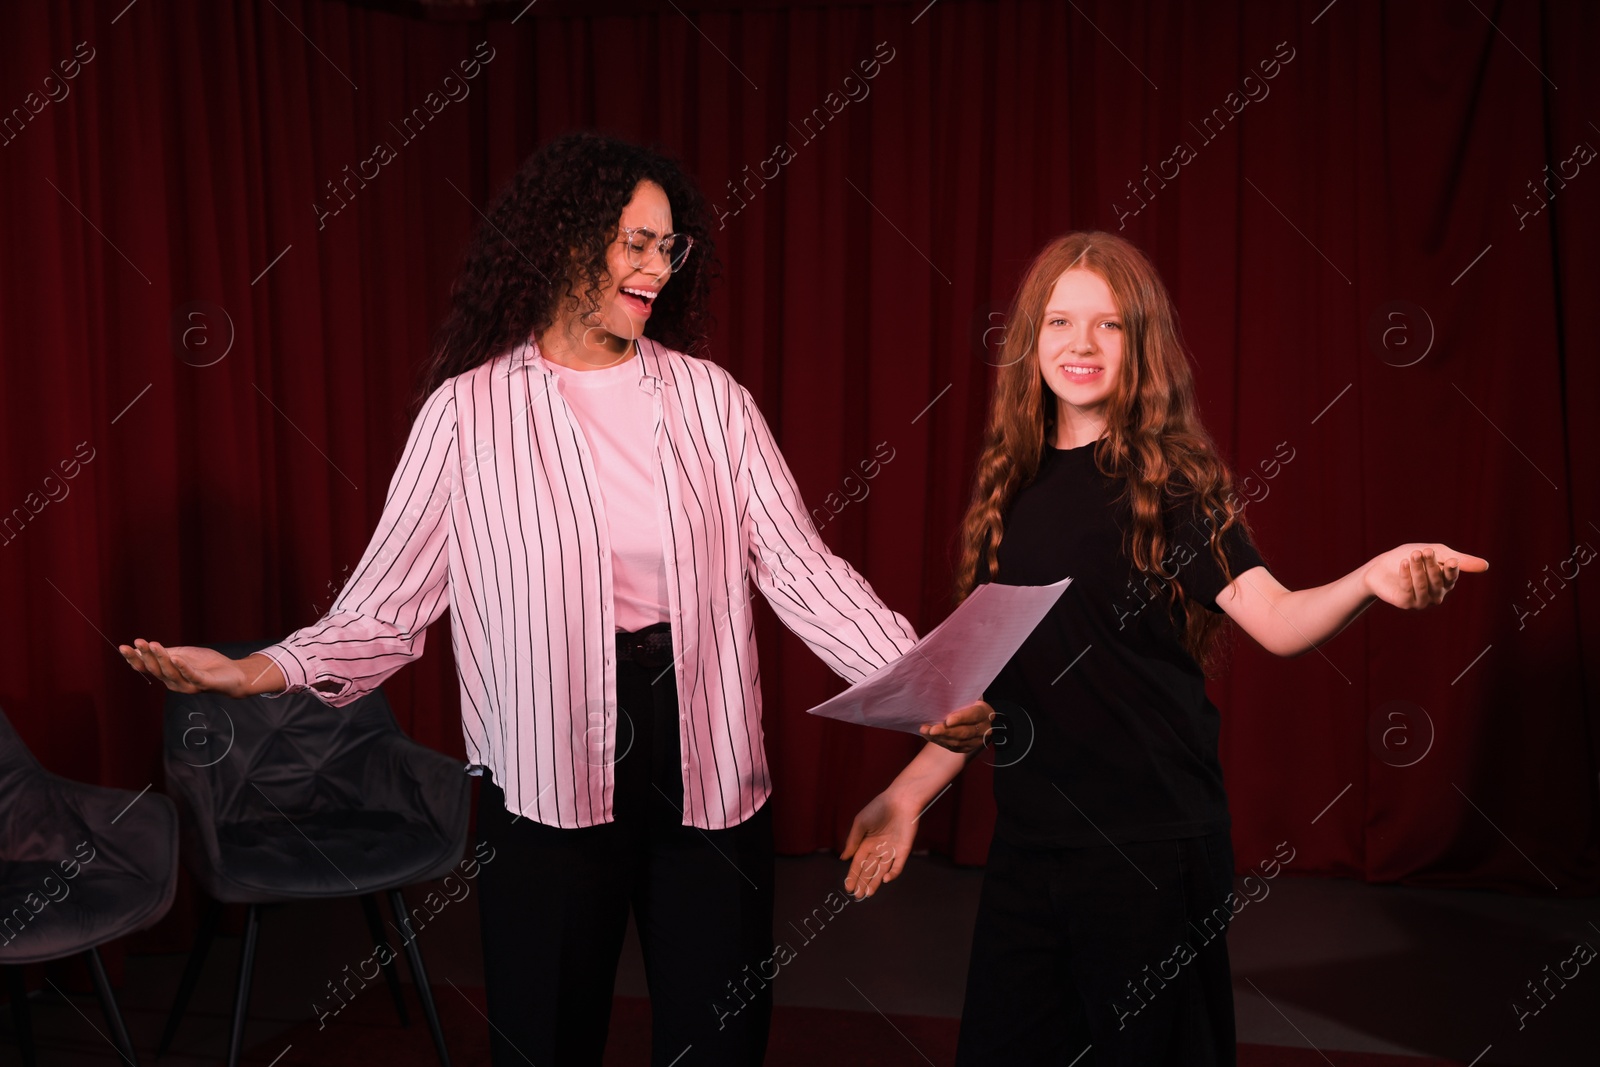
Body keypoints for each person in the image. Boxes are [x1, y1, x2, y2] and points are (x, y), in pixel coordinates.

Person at [120, 131, 990, 1067]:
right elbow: (386, 605)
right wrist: (258, 672)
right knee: (544, 1040)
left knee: (722, 1037)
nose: (655, 266)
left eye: (669, 245)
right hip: (542, 780)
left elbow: (800, 567)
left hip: (708, 761)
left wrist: (923, 682)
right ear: (566, 239)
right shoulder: (468, 414)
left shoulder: (713, 401)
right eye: (633, 241)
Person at [839, 230, 1487, 1066]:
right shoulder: (1011, 488)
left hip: (1151, 849)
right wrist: (906, 792)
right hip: (1032, 847)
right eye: (1061, 322)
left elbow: (1278, 621)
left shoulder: (1170, 482)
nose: (1081, 344)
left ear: (1140, 344)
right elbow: (986, 684)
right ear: (1030, 341)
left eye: (1107, 325)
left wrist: (1369, 579)